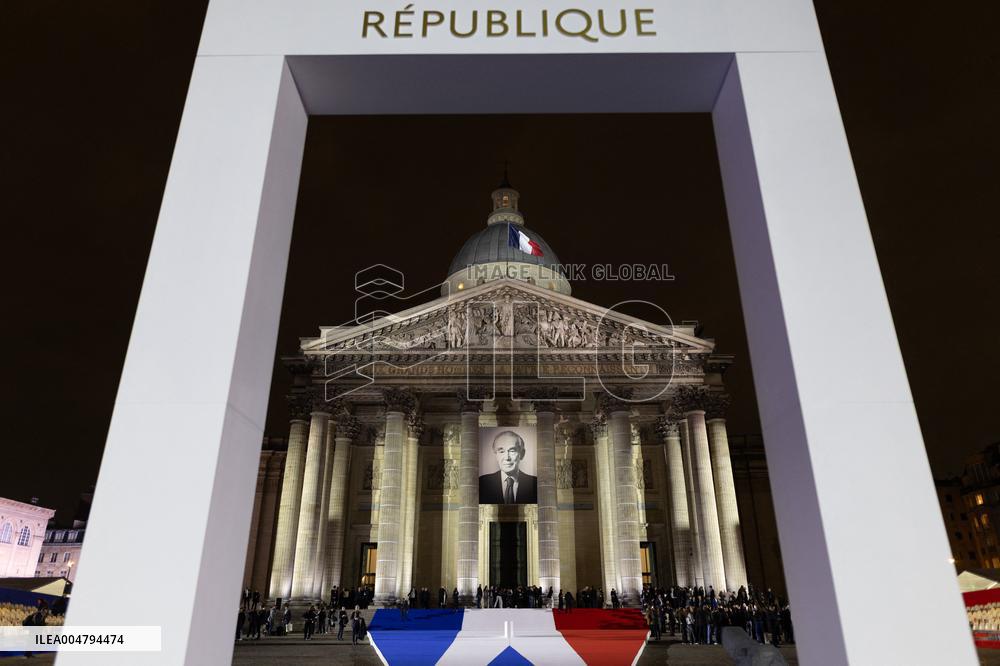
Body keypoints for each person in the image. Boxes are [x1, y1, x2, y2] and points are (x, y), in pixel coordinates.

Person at [478, 431, 538, 504]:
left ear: (522, 454)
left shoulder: (536, 484)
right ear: (496, 455)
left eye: (512, 451)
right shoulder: (481, 483)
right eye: (501, 451)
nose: (507, 458)